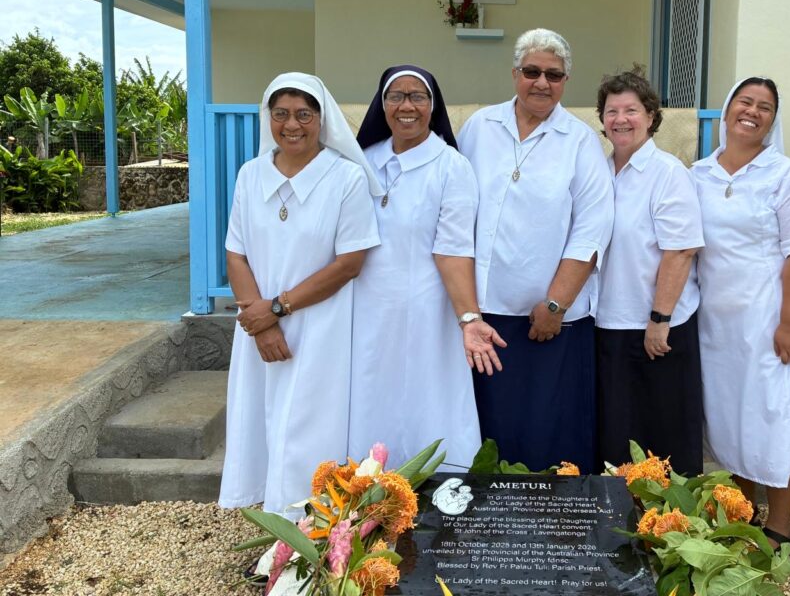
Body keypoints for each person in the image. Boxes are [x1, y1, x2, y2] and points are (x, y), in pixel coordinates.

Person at [218, 72, 381, 517]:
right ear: (268, 118)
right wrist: (259, 322)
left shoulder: (345, 178)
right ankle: (271, 520)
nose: (293, 124)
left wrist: (275, 310)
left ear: (321, 119)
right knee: (260, 419)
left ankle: (304, 530)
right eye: (281, 114)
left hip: (318, 326)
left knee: (309, 425)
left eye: (304, 114)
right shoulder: (250, 175)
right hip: (259, 327)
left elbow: (349, 263)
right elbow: (236, 253)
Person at [692, 76, 790, 547]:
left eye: (764, 107)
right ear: (727, 109)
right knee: (735, 419)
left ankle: (779, 527)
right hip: (719, 324)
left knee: (777, 418)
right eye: (744, 101)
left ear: (772, 120)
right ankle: (742, 515)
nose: (752, 111)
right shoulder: (698, 173)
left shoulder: (787, 176)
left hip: (773, 317)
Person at [458, 28, 614, 474]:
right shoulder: (479, 128)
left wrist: (555, 303)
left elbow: (591, 229)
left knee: (549, 431)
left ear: (566, 81)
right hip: (482, 314)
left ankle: (552, 529)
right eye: (532, 72)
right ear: (514, 74)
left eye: (553, 74)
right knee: (488, 431)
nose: (541, 82)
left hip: (548, 320)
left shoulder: (581, 141)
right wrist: (466, 309)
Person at [350, 65, 505, 469]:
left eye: (417, 96)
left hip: (428, 310)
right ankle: (365, 492)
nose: (406, 106)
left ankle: (436, 494)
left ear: (432, 107)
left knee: (428, 395)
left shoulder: (451, 166)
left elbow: (454, 249)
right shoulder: (361, 162)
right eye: (395, 96)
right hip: (365, 311)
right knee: (369, 394)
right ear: (381, 105)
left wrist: (469, 318)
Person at [594, 66, 704, 474]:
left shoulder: (668, 173)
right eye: (611, 111)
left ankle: (668, 526)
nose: (621, 119)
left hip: (656, 327)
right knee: (617, 433)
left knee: (662, 434)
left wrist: (660, 320)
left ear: (652, 116)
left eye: (631, 110)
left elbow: (680, 251)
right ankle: (620, 524)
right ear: (602, 121)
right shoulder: (600, 171)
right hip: (607, 322)